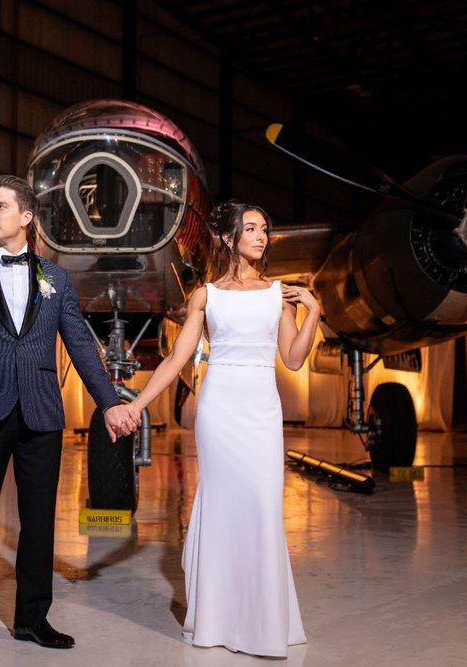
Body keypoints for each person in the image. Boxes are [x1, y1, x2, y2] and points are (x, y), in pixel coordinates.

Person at [0, 174, 140, 658]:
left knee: (40, 522)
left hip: (41, 413)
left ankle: (31, 619)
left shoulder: (56, 279)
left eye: (0, 206)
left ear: (25, 216)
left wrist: (108, 401)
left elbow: (81, 345)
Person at [126, 200, 320, 657]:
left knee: (262, 506)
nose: (261, 236)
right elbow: (175, 361)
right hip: (219, 409)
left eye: (264, 228)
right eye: (250, 228)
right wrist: (136, 405)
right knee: (220, 506)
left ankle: (262, 623)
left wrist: (313, 310)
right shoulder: (206, 295)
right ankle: (216, 620)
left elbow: (293, 359)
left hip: (261, 410)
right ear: (229, 238)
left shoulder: (278, 294)